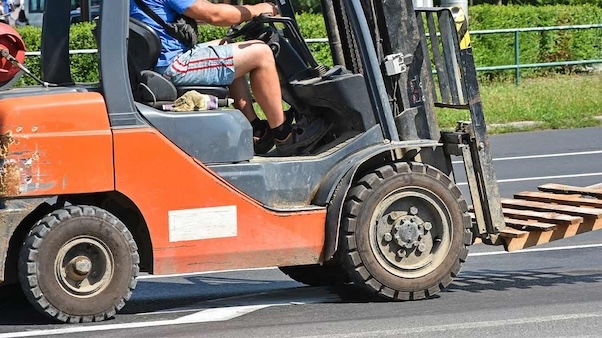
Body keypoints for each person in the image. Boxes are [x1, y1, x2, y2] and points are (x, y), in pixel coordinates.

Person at [130, 0, 327, 156]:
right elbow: (213, 14)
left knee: (227, 46)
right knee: (261, 53)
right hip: (174, 65)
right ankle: (284, 135)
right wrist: (259, 9)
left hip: (162, 63)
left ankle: (256, 131)